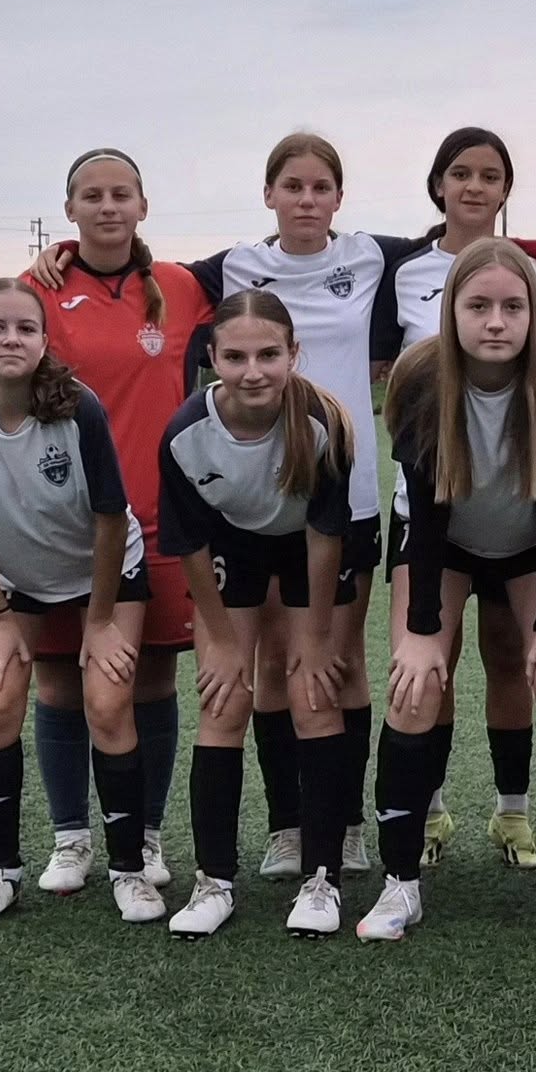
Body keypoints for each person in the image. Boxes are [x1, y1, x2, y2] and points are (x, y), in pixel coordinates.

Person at [36, 134, 429, 881]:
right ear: (268, 194)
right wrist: (58, 254)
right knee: (275, 665)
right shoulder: (231, 268)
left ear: (339, 197)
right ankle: (288, 828)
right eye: (292, 185)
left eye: (320, 186)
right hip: (252, 499)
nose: (306, 199)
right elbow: (127, 263)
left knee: (337, 663)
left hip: (344, 492)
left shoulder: (373, 258)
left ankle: (345, 826)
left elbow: (459, 241)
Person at [0, 148, 211, 897]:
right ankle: (70, 837)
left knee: (144, 682)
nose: (107, 206)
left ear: (143, 205)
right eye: (92, 195)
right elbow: (0, 347)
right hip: (53, 526)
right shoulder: (39, 290)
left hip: (155, 520)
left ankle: (143, 835)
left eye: (121, 194)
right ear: (70, 209)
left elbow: (272, 286)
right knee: (56, 685)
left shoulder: (183, 286)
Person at [358, 238, 536, 943]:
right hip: (442, 541)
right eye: (478, 306)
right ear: (451, 310)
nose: (496, 321)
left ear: (535, 311)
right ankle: (400, 883)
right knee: (413, 687)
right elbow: (426, 512)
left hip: (533, 544)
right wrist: (421, 632)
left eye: (512, 306)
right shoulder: (418, 374)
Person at [0, 279, 160, 928]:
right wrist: (0, 616)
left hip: (103, 569)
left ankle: (129, 870)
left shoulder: (78, 407)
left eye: (25, 328)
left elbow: (110, 519)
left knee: (107, 702)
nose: (11, 338)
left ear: (43, 340)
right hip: (15, 579)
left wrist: (101, 620)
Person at [385, 127, 536, 870]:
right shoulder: (399, 268)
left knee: (511, 657)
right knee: (430, 658)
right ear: (438, 184)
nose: (474, 186)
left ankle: (511, 813)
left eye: (491, 175)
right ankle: (428, 814)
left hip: (518, 510)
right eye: (460, 172)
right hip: (433, 505)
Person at [157, 292, 358, 939]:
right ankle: (214, 881)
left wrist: (317, 635)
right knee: (223, 701)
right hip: (232, 547)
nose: (253, 371)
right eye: (236, 357)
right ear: (212, 358)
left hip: (305, 549)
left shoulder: (324, 423)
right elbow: (189, 543)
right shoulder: (186, 433)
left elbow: (325, 536)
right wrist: (218, 639)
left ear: (293, 354)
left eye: (269, 354)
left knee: (314, 694)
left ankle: (321, 879)